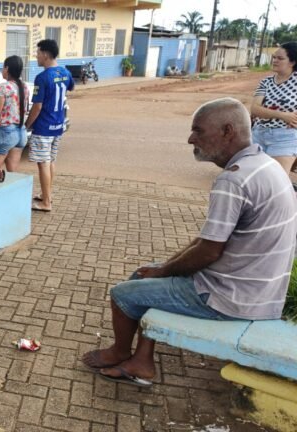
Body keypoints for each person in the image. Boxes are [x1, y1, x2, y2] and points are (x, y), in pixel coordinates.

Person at [82, 98, 297, 387]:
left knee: (123, 294)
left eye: (198, 131)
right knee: (146, 276)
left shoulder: (234, 181)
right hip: (259, 290)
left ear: (227, 131)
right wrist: (165, 267)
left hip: (232, 298)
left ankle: (121, 351)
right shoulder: (264, 165)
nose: (190, 139)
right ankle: (141, 362)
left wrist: (165, 271)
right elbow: (206, 240)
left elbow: (209, 251)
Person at [25, 40, 74, 212]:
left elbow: (37, 106)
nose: (36, 57)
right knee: (51, 161)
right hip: (58, 125)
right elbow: (70, 88)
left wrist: (27, 125)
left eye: (38, 53)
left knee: (43, 163)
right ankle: (48, 195)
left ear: (45, 54)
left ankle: (46, 203)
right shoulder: (65, 72)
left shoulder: (42, 77)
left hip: (44, 126)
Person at [250, 41, 297, 175]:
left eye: (280, 58)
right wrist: (283, 115)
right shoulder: (266, 82)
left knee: (276, 179)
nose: (275, 60)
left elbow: (261, 109)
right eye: (274, 57)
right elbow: (255, 109)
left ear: (292, 62)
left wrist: (267, 112)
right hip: (258, 134)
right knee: (254, 178)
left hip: (285, 137)